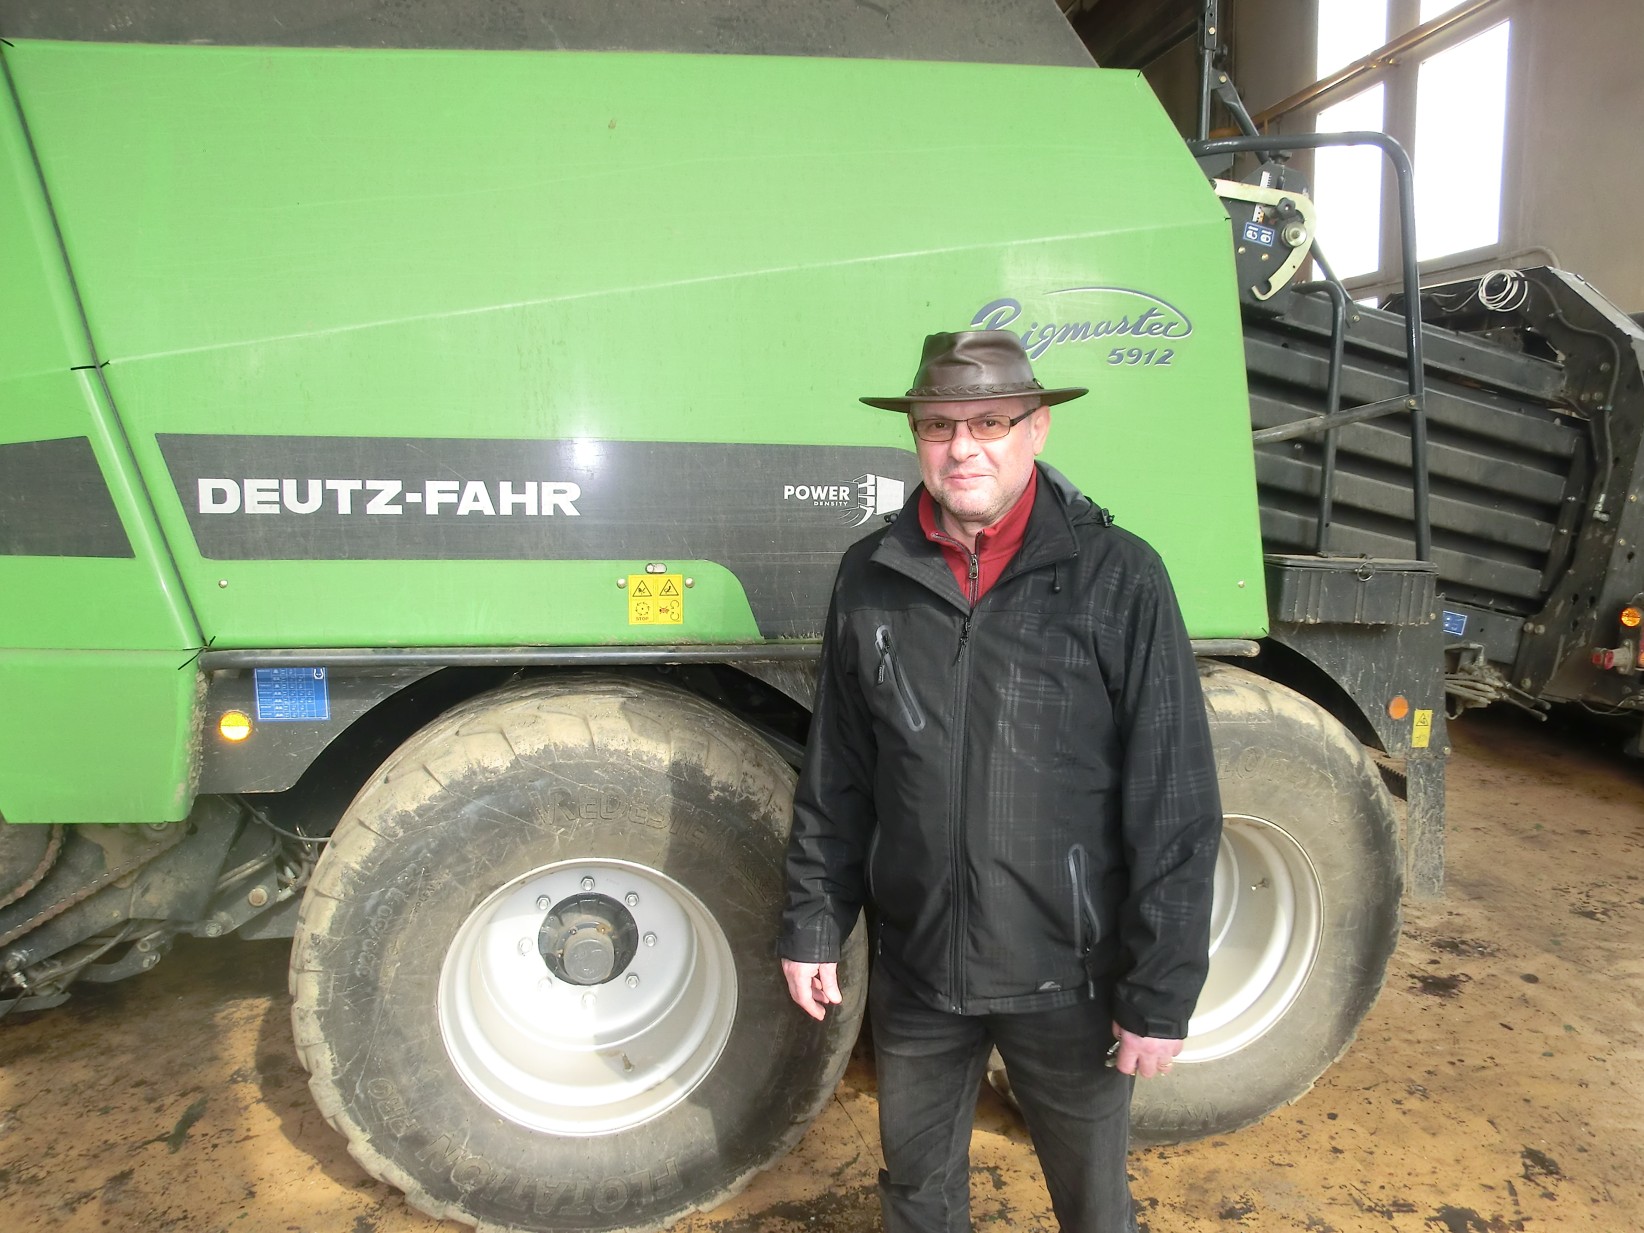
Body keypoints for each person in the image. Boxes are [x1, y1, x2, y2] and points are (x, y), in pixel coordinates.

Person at [778, 330, 1222, 1233]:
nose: (962, 448)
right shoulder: (872, 575)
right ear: (916, 438)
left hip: (1068, 977)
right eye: (938, 426)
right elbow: (839, 772)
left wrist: (1159, 992)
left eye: (989, 422)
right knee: (916, 1197)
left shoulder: (1118, 578)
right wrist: (815, 919)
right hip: (919, 972)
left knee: (1095, 1208)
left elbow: (1174, 801)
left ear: (1037, 428)